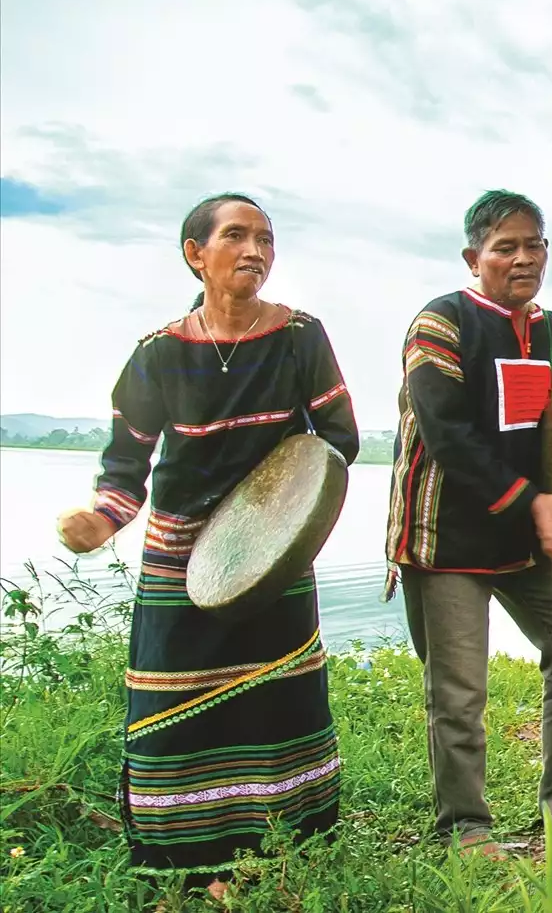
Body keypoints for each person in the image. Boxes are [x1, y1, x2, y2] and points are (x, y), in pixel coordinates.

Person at [56, 194, 358, 896]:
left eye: (266, 238)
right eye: (236, 236)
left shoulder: (300, 337)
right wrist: (101, 521)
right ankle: (189, 869)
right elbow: (126, 464)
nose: (255, 250)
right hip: (178, 553)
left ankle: (278, 854)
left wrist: (277, 513)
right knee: (174, 708)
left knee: (274, 700)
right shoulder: (158, 354)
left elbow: (336, 441)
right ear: (196, 253)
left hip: (272, 548)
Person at [384, 190, 552, 856]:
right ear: (474, 257)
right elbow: (448, 437)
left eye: (535, 244)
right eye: (506, 247)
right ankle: (465, 828)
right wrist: (531, 501)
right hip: (447, 538)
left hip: (529, 537)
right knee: (459, 690)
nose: (524, 258)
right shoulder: (440, 326)